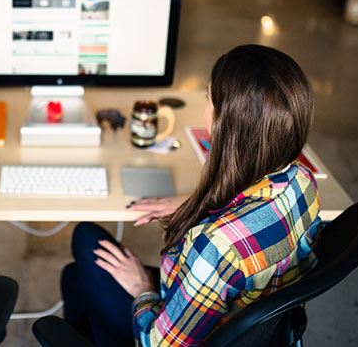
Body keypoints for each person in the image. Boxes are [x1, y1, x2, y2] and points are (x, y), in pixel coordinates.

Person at [61, 44, 320, 347]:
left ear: (227, 122)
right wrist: (199, 202)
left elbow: (159, 344)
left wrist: (142, 289)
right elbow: (256, 219)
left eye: (208, 99)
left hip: (169, 335)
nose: (205, 110)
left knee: (85, 237)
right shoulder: (303, 181)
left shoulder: (215, 246)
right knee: (75, 278)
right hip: (258, 333)